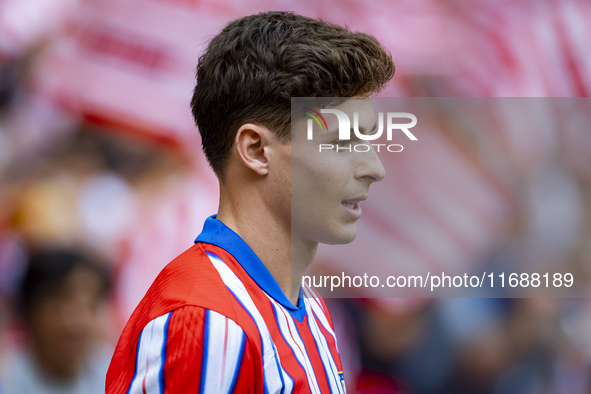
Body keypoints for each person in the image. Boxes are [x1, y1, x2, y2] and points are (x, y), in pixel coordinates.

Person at [106, 11, 393, 393]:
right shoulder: (209, 322)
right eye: (342, 142)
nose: (374, 167)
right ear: (256, 150)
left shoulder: (309, 306)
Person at [3, 247, 112, 394]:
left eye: (90, 306)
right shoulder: (7, 379)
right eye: (63, 306)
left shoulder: (113, 373)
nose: (79, 322)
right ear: (30, 312)